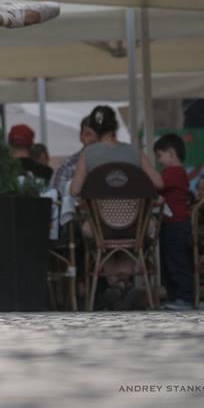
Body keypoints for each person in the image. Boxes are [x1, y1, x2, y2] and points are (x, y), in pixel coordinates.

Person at [69, 105, 163, 309]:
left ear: (94, 129)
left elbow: (74, 190)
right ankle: (124, 286)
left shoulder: (88, 154)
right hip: (136, 226)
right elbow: (159, 183)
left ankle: (116, 287)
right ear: (116, 126)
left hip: (101, 227)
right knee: (132, 240)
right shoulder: (134, 151)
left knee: (96, 235)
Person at [154, 134, 195, 310]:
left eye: (160, 156)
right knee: (171, 260)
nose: (159, 161)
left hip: (175, 223)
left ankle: (184, 297)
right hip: (174, 223)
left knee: (177, 260)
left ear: (171, 154)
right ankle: (175, 296)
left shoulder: (173, 172)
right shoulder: (178, 173)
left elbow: (158, 184)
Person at [50, 116, 97, 193]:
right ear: (81, 137)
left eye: (98, 135)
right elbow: (55, 195)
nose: (93, 139)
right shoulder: (66, 166)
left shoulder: (112, 163)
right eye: (88, 134)